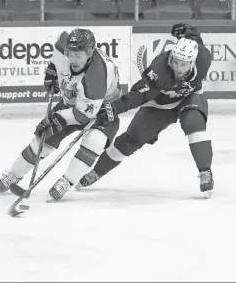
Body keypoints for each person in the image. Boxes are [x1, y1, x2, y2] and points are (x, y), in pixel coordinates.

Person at [78, 23, 214, 198]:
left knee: (194, 124)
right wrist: (111, 108)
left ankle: (205, 172)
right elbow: (136, 96)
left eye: (184, 64)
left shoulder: (203, 58)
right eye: (176, 62)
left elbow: (195, 39)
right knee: (132, 138)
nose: (179, 68)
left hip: (190, 96)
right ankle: (96, 172)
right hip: (159, 105)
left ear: (193, 61)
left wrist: (190, 31)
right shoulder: (159, 71)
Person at [0, 28, 122, 201]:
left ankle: (66, 181)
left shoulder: (96, 76)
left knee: (94, 141)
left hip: (104, 109)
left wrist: (59, 118)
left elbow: (82, 116)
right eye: (71, 54)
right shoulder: (64, 46)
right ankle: (14, 175)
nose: (73, 60)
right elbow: (57, 60)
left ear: (90, 53)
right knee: (43, 139)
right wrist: (51, 72)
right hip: (75, 101)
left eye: (79, 56)